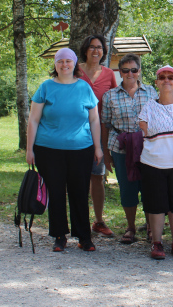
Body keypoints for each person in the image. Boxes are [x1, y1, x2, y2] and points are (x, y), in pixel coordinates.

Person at [26, 48, 103, 252]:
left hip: (81, 149)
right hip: (48, 149)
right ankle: (59, 236)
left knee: (79, 192)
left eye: (68, 61)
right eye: (60, 61)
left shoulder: (84, 88)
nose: (64, 65)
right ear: (55, 65)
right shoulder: (45, 87)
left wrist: (98, 147)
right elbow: (33, 120)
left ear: (74, 64)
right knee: (57, 192)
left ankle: (84, 237)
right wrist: (29, 149)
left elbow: (94, 119)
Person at [138, 66, 173, 260]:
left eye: (171, 77)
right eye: (162, 77)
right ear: (157, 82)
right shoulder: (148, 107)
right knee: (156, 205)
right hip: (152, 163)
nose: (166, 80)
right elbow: (144, 129)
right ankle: (157, 242)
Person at [101, 53, 157, 244]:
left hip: (147, 147)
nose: (130, 74)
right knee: (127, 189)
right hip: (120, 147)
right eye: (125, 70)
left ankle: (151, 228)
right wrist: (106, 154)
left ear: (139, 71)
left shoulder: (151, 92)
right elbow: (105, 124)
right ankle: (131, 227)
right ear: (120, 72)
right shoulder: (110, 96)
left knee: (149, 188)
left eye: (134, 70)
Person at [78, 34, 117, 238]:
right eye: (92, 47)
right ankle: (80, 220)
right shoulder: (75, 70)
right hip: (75, 131)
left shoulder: (109, 73)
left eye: (100, 47)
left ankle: (99, 221)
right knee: (77, 178)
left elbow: (112, 103)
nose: (96, 51)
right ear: (85, 49)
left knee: (97, 176)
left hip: (99, 132)